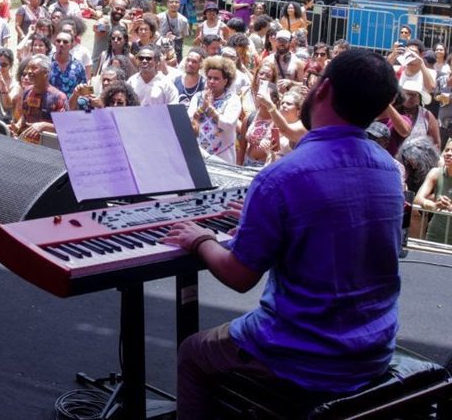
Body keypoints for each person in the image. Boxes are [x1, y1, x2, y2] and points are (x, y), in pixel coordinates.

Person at [165, 49, 403, 419]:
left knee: (193, 352)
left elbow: (238, 276)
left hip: (304, 354)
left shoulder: (282, 177)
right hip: (373, 347)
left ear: (321, 90)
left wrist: (200, 239)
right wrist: (265, 219)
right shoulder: (389, 169)